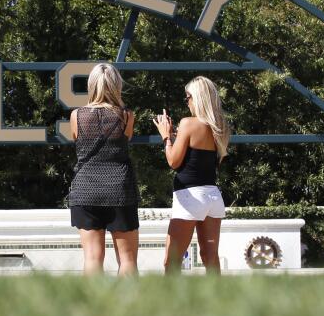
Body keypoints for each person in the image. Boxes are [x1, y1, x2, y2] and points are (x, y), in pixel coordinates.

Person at [68, 63, 140, 276]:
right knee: (127, 260)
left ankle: (93, 308)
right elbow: (128, 138)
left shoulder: (76, 116)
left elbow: (76, 139)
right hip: (119, 189)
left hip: (85, 189)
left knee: (92, 257)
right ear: (117, 86)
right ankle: (128, 306)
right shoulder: (126, 116)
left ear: (92, 86)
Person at [153, 76, 230, 274]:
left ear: (196, 97)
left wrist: (166, 137)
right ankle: (220, 303)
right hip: (213, 196)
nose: (186, 102)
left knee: (171, 261)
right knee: (210, 258)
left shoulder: (188, 123)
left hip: (190, 197)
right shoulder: (220, 127)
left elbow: (173, 161)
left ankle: (172, 305)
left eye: (187, 97)